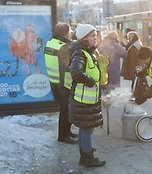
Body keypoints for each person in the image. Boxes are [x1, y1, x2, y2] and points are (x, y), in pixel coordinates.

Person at [68, 23, 106, 167]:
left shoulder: (88, 52)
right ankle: (88, 158)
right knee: (86, 130)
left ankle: (84, 157)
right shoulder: (81, 53)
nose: (95, 38)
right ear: (84, 38)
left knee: (85, 129)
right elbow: (76, 72)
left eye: (95, 35)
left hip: (86, 100)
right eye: (92, 36)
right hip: (84, 101)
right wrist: (90, 81)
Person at [44, 22, 77, 144]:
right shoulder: (64, 47)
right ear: (65, 33)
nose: (71, 34)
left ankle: (67, 132)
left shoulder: (51, 42)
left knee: (65, 109)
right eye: (70, 32)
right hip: (63, 84)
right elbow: (68, 66)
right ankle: (63, 136)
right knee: (66, 111)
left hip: (54, 82)